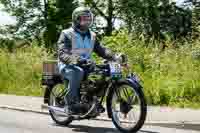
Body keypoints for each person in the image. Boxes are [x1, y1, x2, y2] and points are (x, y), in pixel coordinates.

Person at [57, 6, 119, 114]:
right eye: (84, 19)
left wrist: (114, 57)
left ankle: (91, 100)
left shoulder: (92, 35)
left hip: (87, 64)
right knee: (78, 72)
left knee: (104, 73)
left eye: (89, 19)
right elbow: (62, 53)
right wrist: (75, 60)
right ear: (76, 19)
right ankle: (70, 103)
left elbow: (101, 50)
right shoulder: (66, 33)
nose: (87, 21)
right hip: (68, 65)